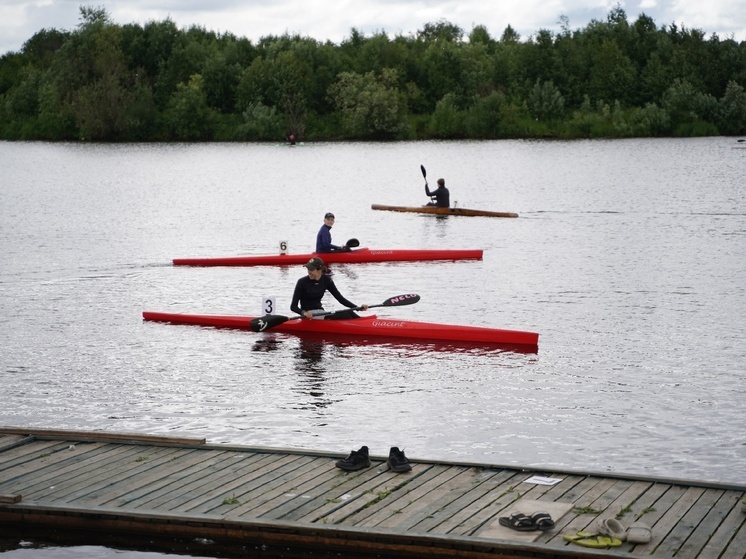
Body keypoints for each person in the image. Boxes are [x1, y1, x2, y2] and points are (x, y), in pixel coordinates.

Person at [290, 257, 368, 319]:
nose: (309, 272)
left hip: (321, 312)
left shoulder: (326, 280)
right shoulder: (302, 282)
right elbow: (293, 307)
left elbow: (340, 298)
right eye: (308, 269)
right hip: (309, 315)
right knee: (344, 314)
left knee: (350, 312)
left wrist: (357, 308)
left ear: (319, 270)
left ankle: (364, 322)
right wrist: (304, 313)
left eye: (311, 269)